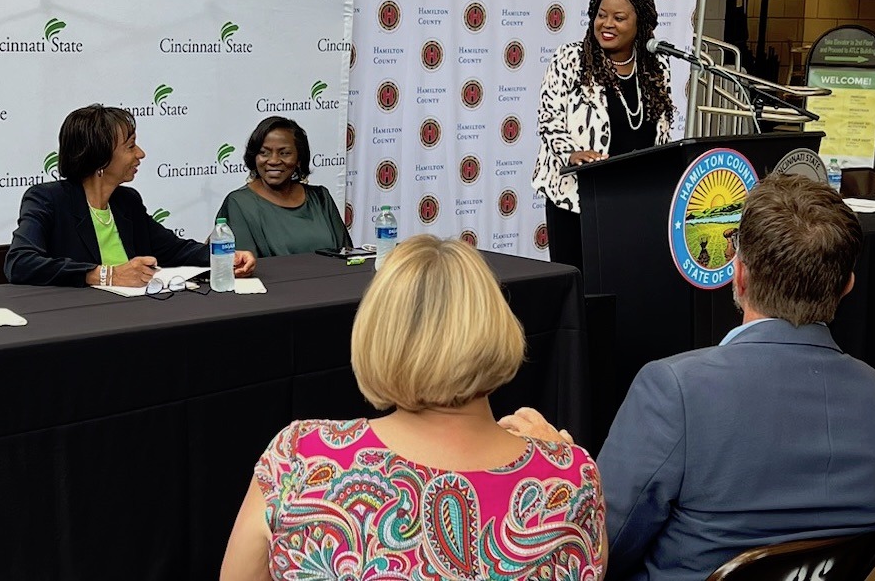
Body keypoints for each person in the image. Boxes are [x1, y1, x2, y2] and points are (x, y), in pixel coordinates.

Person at [500, 174, 875, 581]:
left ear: (740, 275)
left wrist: (564, 468)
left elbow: (599, 552)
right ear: (846, 286)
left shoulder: (675, 391)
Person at [220, 235, 605, 580]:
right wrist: (560, 460)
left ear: (377, 334)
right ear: (498, 327)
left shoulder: (299, 456)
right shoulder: (572, 480)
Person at [5, 104, 256, 287]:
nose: (141, 154)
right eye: (130, 146)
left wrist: (223, 256)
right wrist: (104, 275)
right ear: (100, 157)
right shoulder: (47, 200)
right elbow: (20, 263)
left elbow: (172, 249)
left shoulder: (127, 201)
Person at [532, 0, 676, 269]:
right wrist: (570, 154)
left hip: (634, 202)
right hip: (577, 200)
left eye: (619, 18)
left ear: (642, 25)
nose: (607, 24)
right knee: (580, 289)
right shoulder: (570, 60)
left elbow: (661, 132)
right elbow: (549, 118)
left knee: (625, 286)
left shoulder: (657, 67)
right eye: (601, 15)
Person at [215, 116, 352, 258]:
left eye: (284, 153)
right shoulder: (239, 203)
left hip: (332, 279)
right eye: (264, 153)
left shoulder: (320, 198)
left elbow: (346, 255)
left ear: (299, 159)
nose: (273, 160)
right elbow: (243, 265)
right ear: (254, 157)